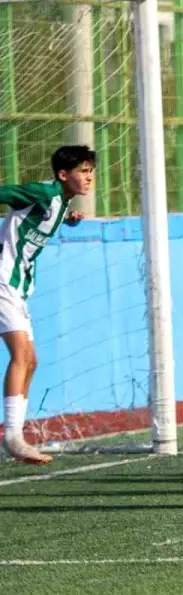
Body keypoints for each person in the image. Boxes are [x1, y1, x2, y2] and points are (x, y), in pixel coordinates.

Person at [0, 145, 93, 464]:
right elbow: (8, 193)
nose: (89, 177)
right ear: (63, 175)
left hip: (18, 285)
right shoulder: (42, 192)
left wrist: (68, 220)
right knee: (21, 355)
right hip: (2, 279)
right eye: (83, 171)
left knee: (32, 361)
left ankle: (15, 434)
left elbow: (46, 214)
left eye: (91, 170)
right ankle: (12, 437)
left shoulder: (59, 202)